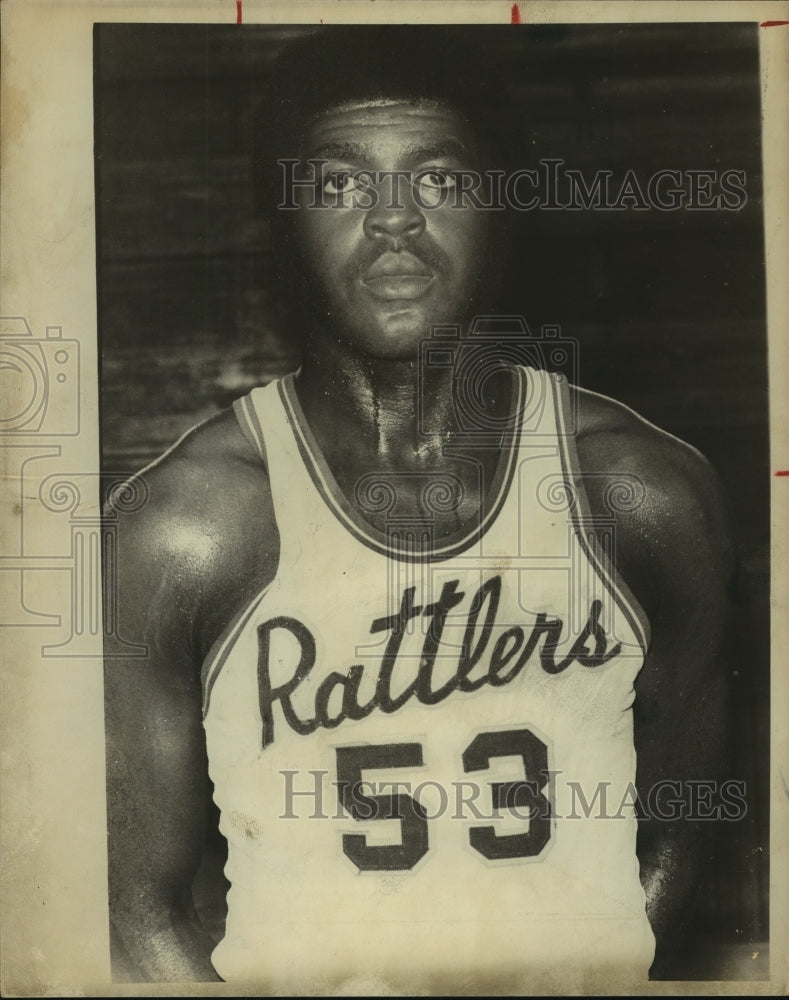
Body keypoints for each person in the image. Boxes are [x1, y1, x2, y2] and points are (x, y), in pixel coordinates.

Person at [104, 27, 734, 991]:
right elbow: (137, 912)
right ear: (280, 220)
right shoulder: (184, 527)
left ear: (502, 209)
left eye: (438, 179)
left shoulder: (642, 494)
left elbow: (681, 832)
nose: (393, 220)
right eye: (338, 184)